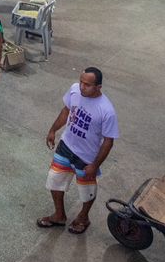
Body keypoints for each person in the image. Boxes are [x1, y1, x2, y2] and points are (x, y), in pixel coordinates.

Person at [37, 66, 118, 235]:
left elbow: (108, 142)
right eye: (81, 82)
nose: (82, 86)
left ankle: (83, 217)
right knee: (54, 181)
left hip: (86, 158)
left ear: (98, 87)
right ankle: (59, 215)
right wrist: (53, 130)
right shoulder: (74, 90)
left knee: (87, 191)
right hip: (66, 146)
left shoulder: (107, 111)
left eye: (87, 85)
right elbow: (66, 111)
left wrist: (95, 165)